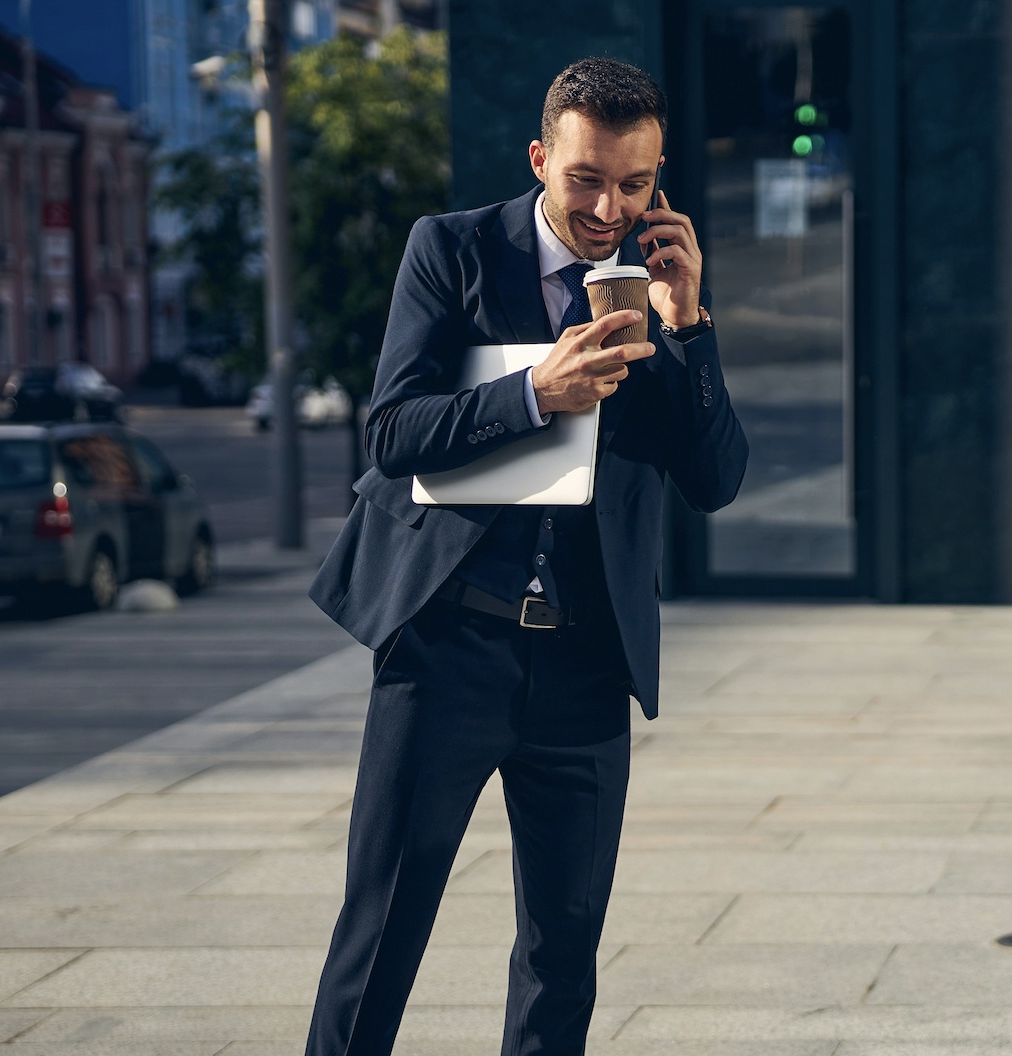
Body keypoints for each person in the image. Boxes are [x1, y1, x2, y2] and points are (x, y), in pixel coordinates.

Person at [301, 57, 747, 1055]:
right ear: (543, 157)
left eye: (635, 184)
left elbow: (716, 479)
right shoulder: (452, 251)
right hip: (448, 648)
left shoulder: (654, 289)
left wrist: (692, 323)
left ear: (659, 175)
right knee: (379, 936)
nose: (609, 206)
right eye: (586, 177)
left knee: (563, 955)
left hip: (587, 667)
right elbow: (393, 434)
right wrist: (534, 394)